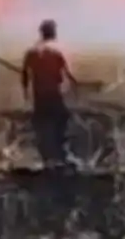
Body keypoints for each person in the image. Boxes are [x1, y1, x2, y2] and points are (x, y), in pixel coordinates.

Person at [22, 19, 77, 166]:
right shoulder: (57, 50)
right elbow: (68, 73)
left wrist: (25, 92)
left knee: (41, 122)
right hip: (54, 93)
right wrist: (78, 85)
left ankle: (44, 155)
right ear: (53, 32)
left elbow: (25, 73)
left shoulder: (31, 51)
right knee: (62, 119)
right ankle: (60, 153)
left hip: (38, 93)